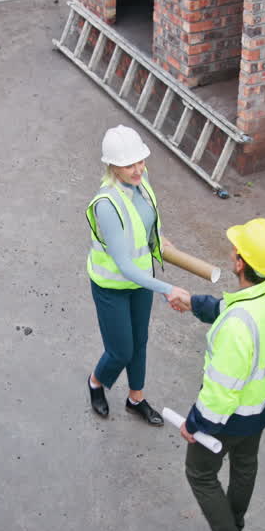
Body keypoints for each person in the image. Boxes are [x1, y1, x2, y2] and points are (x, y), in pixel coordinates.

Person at [171, 218, 265, 531]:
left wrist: (194, 424)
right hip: (260, 407)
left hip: (230, 417)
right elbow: (233, 306)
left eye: (237, 250)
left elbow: (221, 391)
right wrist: (194, 303)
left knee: (200, 474)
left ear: (239, 263)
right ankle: (232, 523)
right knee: (244, 466)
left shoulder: (238, 326)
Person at [86, 125, 191, 425]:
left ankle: (136, 399)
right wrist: (167, 288)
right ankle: (96, 382)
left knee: (139, 341)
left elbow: (144, 220)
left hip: (140, 280)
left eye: (140, 161)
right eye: (129, 164)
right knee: (120, 350)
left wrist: (158, 237)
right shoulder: (107, 205)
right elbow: (124, 264)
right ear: (112, 166)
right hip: (113, 286)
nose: (137, 169)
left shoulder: (142, 182)